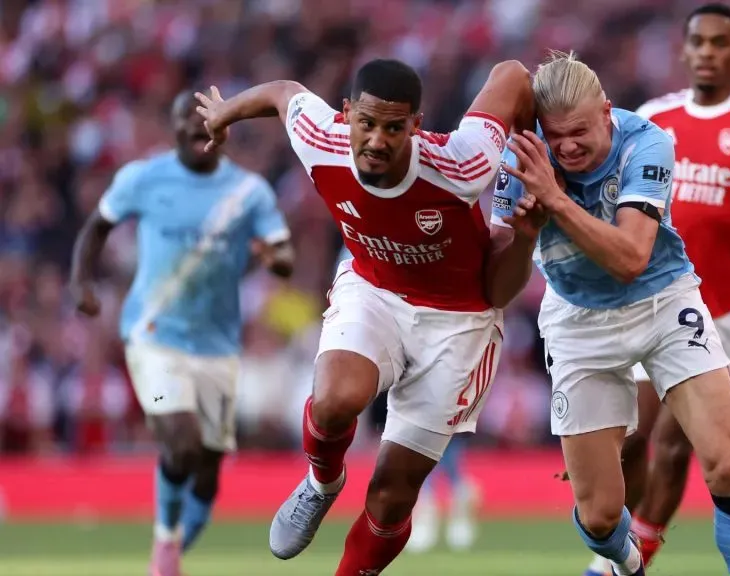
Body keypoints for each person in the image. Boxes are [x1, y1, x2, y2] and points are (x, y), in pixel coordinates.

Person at [193, 58, 537, 575]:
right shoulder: (321, 139)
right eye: (367, 123)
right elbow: (284, 92)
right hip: (374, 290)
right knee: (334, 400)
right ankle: (321, 482)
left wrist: (530, 154)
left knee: (392, 494)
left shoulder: (462, 164)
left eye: (394, 128)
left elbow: (511, 75)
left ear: (416, 125)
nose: (376, 140)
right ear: (347, 113)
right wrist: (225, 114)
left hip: (458, 322)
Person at [573, 5, 730, 574]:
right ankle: (619, 546)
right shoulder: (652, 118)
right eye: (699, 42)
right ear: (684, 50)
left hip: (716, 312)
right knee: (630, 440)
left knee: (675, 445)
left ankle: (627, 560)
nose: (708, 52)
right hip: (641, 300)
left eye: (720, 43)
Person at [492, 50, 730, 576]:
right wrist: (523, 237)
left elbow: (631, 259)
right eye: (556, 135)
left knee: (727, 467)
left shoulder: (647, 143)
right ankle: (627, 566)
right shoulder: (521, 158)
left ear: (606, 113)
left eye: (579, 131)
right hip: (577, 320)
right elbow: (499, 287)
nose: (566, 147)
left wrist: (556, 201)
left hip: (663, 302)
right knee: (599, 517)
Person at [69, 91, 295, 576]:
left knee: (208, 469)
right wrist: (81, 281)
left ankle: (171, 552)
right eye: (185, 122)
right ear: (172, 129)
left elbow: (284, 253)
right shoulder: (143, 178)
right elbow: (97, 226)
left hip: (217, 346)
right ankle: (165, 545)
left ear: (223, 127)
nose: (196, 130)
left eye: (205, 123)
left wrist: (273, 258)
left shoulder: (249, 192)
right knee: (182, 440)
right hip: (153, 336)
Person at [405, 434, 480, 553]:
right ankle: (425, 520)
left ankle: (460, 518)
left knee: (453, 465)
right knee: (425, 464)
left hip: (453, 430)